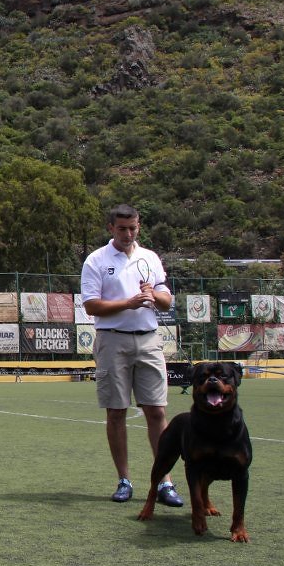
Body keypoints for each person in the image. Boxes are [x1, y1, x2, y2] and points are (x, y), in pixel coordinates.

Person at [80, 204, 183, 507]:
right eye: (122, 228)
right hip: (112, 342)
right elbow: (91, 306)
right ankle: (124, 480)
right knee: (116, 412)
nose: (128, 233)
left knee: (156, 411)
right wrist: (129, 303)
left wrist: (154, 296)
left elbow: (165, 300)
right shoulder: (96, 260)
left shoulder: (149, 257)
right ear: (110, 228)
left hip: (149, 339)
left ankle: (164, 482)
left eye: (133, 228)